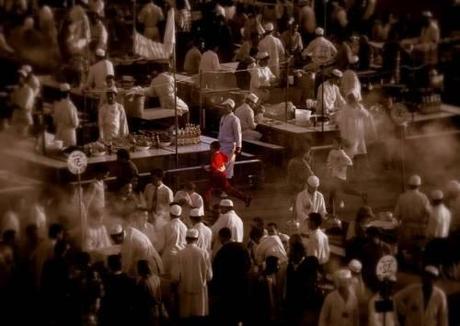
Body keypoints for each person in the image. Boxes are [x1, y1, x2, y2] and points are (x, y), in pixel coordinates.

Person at [212, 227, 251, 326]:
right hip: (242, 284)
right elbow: (248, 265)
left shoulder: (221, 252)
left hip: (227, 288)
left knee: (229, 315)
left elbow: (216, 271)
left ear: (221, 237)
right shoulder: (242, 247)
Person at [171, 228, 213, 321]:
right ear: (197, 239)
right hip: (200, 293)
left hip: (185, 292)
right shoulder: (204, 253)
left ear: (186, 239)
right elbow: (209, 276)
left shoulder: (180, 254)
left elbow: (175, 277)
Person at [327, 137, 366, 214]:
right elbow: (329, 162)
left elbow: (350, 162)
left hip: (340, 176)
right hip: (334, 175)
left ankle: (331, 208)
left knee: (335, 190)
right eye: (333, 143)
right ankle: (362, 194)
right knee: (341, 190)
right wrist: (329, 168)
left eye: (335, 143)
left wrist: (341, 165)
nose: (333, 145)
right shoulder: (331, 152)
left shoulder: (342, 153)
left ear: (340, 145)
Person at [335, 92, 376, 159]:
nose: (355, 102)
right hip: (349, 138)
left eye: (356, 100)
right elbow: (343, 126)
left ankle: (360, 168)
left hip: (359, 137)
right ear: (349, 101)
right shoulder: (345, 110)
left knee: (361, 156)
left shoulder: (359, 108)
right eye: (353, 100)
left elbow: (367, 115)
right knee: (349, 157)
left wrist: (360, 108)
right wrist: (344, 139)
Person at [99, 254, 136, 326]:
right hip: (125, 314)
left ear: (109, 265)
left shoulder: (105, 280)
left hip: (110, 315)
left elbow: (103, 298)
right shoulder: (130, 280)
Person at [394, 175, 431, 245]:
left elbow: (396, 215)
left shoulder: (402, 197)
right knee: (419, 251)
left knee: (407, 251)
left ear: (409, 185)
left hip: (406, 230)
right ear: (419, 185)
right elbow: (429, 213)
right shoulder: (423, 197)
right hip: (420, 230)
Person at [157, 204, 187, 276]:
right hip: (181, 257)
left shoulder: (166, 226)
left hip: (168, 257)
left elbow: (161, 245)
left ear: (170, 214)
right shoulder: (184, 227)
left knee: (166, 280)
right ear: (180, 214)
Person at [217, 98, 242, 180]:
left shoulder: (235, 119)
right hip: (222, 145)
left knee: (228, 167)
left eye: (225, 106)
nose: (223, 108)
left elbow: (238, 134)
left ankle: (227, 185)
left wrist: (238, 147)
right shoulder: (223, 117)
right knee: (221, 166)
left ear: (230, 107)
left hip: (229, 146)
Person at [134, 259, 163, 326]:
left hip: (147, 312)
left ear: (140, 269)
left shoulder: (142, 282)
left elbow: (140, 300)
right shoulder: (156, 278)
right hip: (156, 310)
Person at [53, 83, 79, 147]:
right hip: (68, 135)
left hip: (59, 135)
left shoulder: (57, 105)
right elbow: (75, 123)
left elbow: (54, 121)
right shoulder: (70, 106)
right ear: (68, 94)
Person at [10, 69, 35, 136]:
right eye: (17, 76)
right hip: (16, 117)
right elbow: (12, 101)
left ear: (24, 79)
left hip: (24, 119)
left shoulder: (29, 91)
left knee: (20, 139)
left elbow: (24, 105)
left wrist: (11, 105)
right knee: (12, 138)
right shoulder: (16, 89)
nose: (18, 78)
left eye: (20, 77)